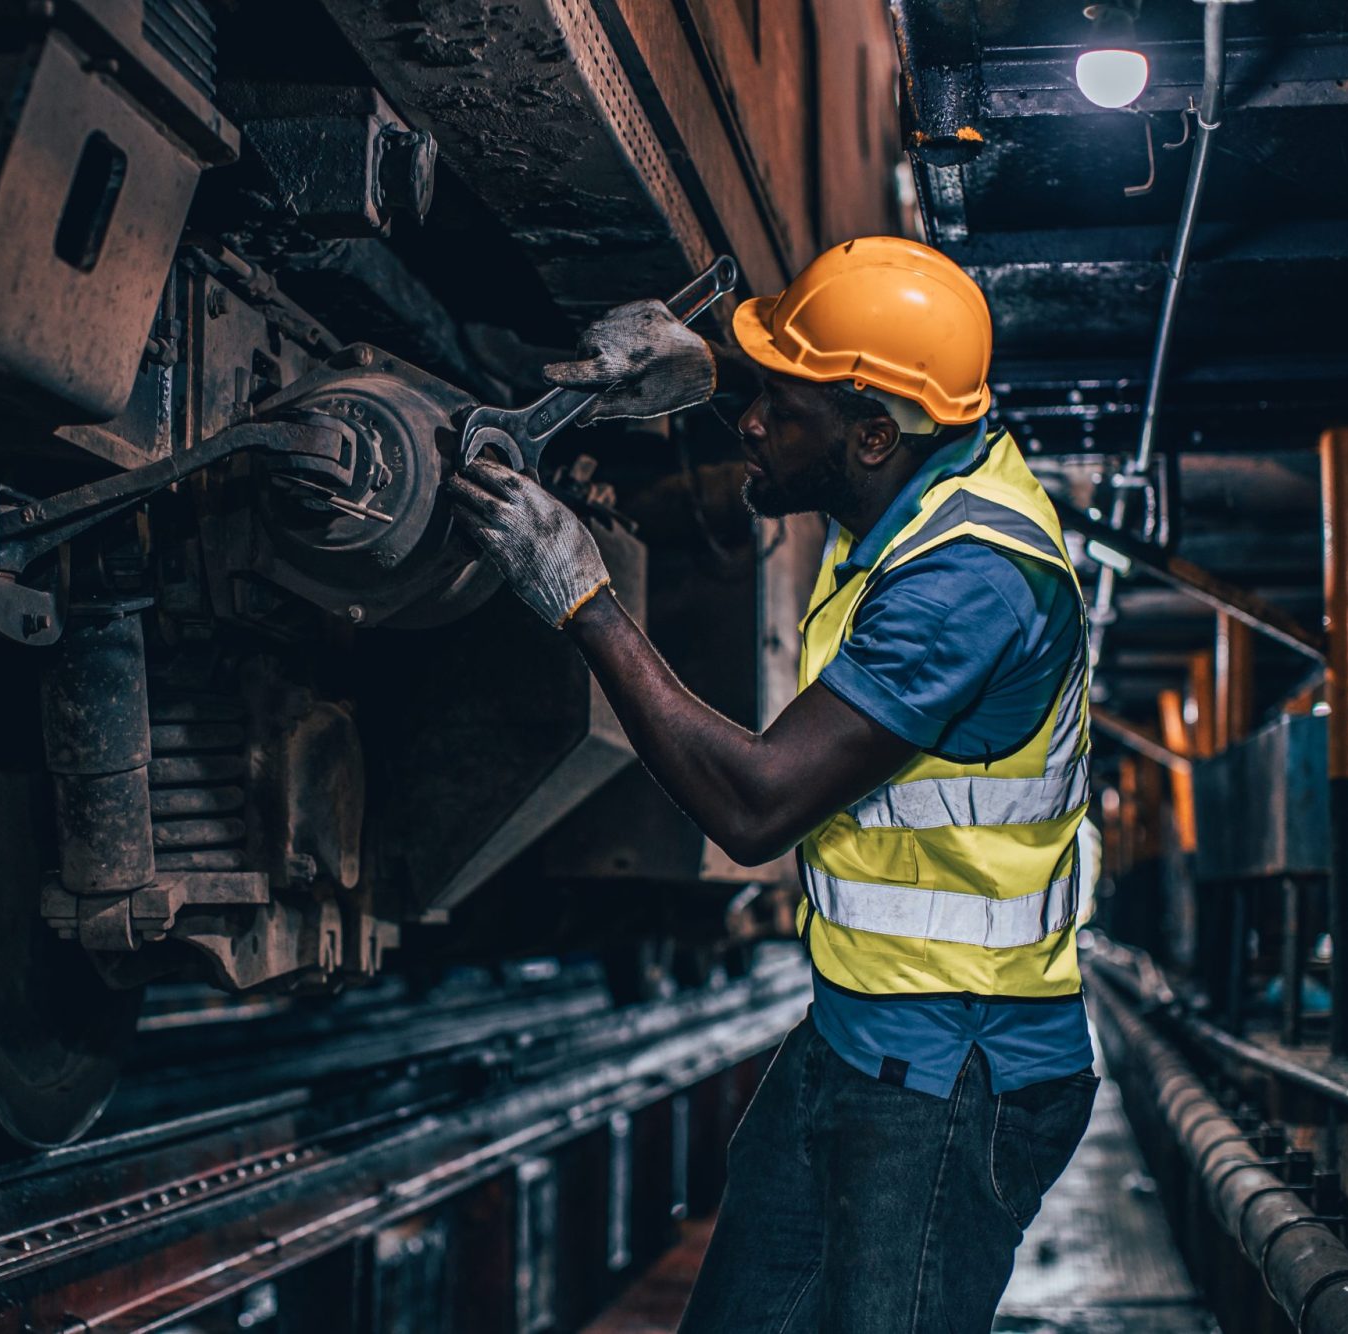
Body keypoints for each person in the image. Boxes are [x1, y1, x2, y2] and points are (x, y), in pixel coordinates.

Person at [448, 236, 1100, 1333]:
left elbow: (753, 806)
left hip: (952, 1077)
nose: (751, 424)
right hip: (860, 1037)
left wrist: (582, 598)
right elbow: (821, 439)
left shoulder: (968, 587)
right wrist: (702, 377)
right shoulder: (924, 472)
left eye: (773, 406)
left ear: (876, 434)